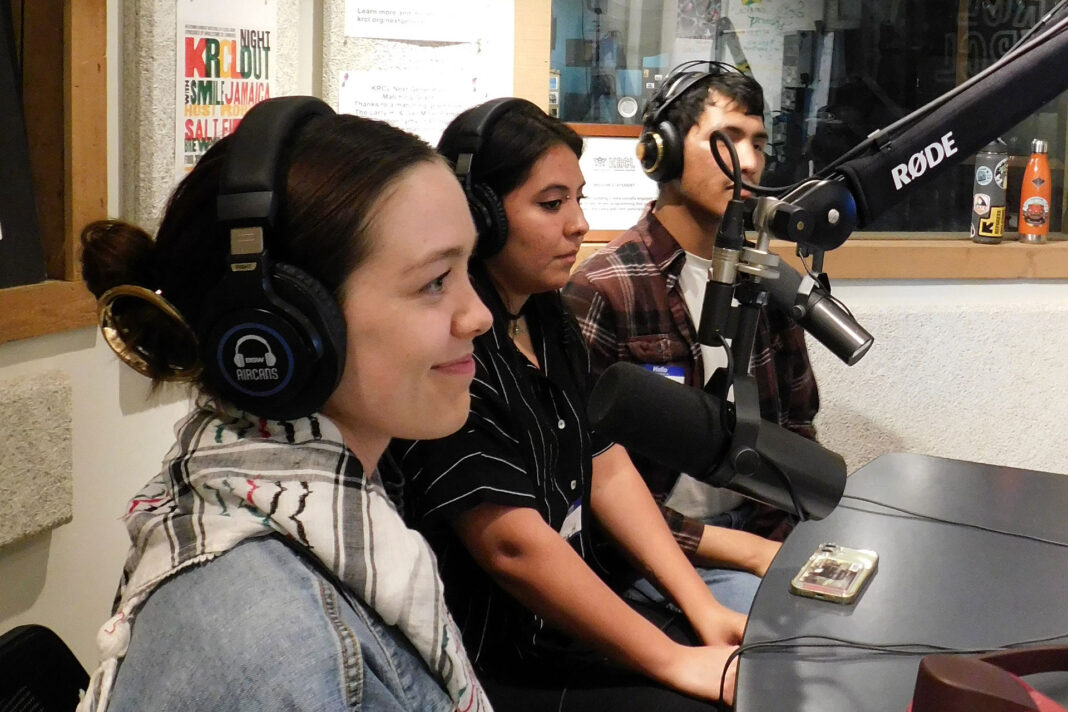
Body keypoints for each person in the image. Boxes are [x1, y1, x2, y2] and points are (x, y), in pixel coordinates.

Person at [76, 97, 494, 712]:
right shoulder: (291, 652)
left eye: (467, 269)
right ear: (283, 331)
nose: (478, 314)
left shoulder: (273, 507)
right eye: (434, 281)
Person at [386, 98, 756, 711]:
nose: (580, 224)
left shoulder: (545, 313)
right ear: (480, 215)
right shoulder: (451, 348)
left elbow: (606, 463)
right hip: (501, 664)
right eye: (552, 203)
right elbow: (511, 547)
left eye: (578, 199)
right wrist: (675, 661)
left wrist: (703, 607)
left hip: (576, 628)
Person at [563, 64, 820, 579]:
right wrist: (744, 555)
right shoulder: (603, 288)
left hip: (764, 539)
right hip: (659, 556)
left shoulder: (767, 282)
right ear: (666, 153)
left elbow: (796, 429)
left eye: (759, 143)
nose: (749, 163)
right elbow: (582, 481)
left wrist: (788, 547)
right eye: (726, 141)